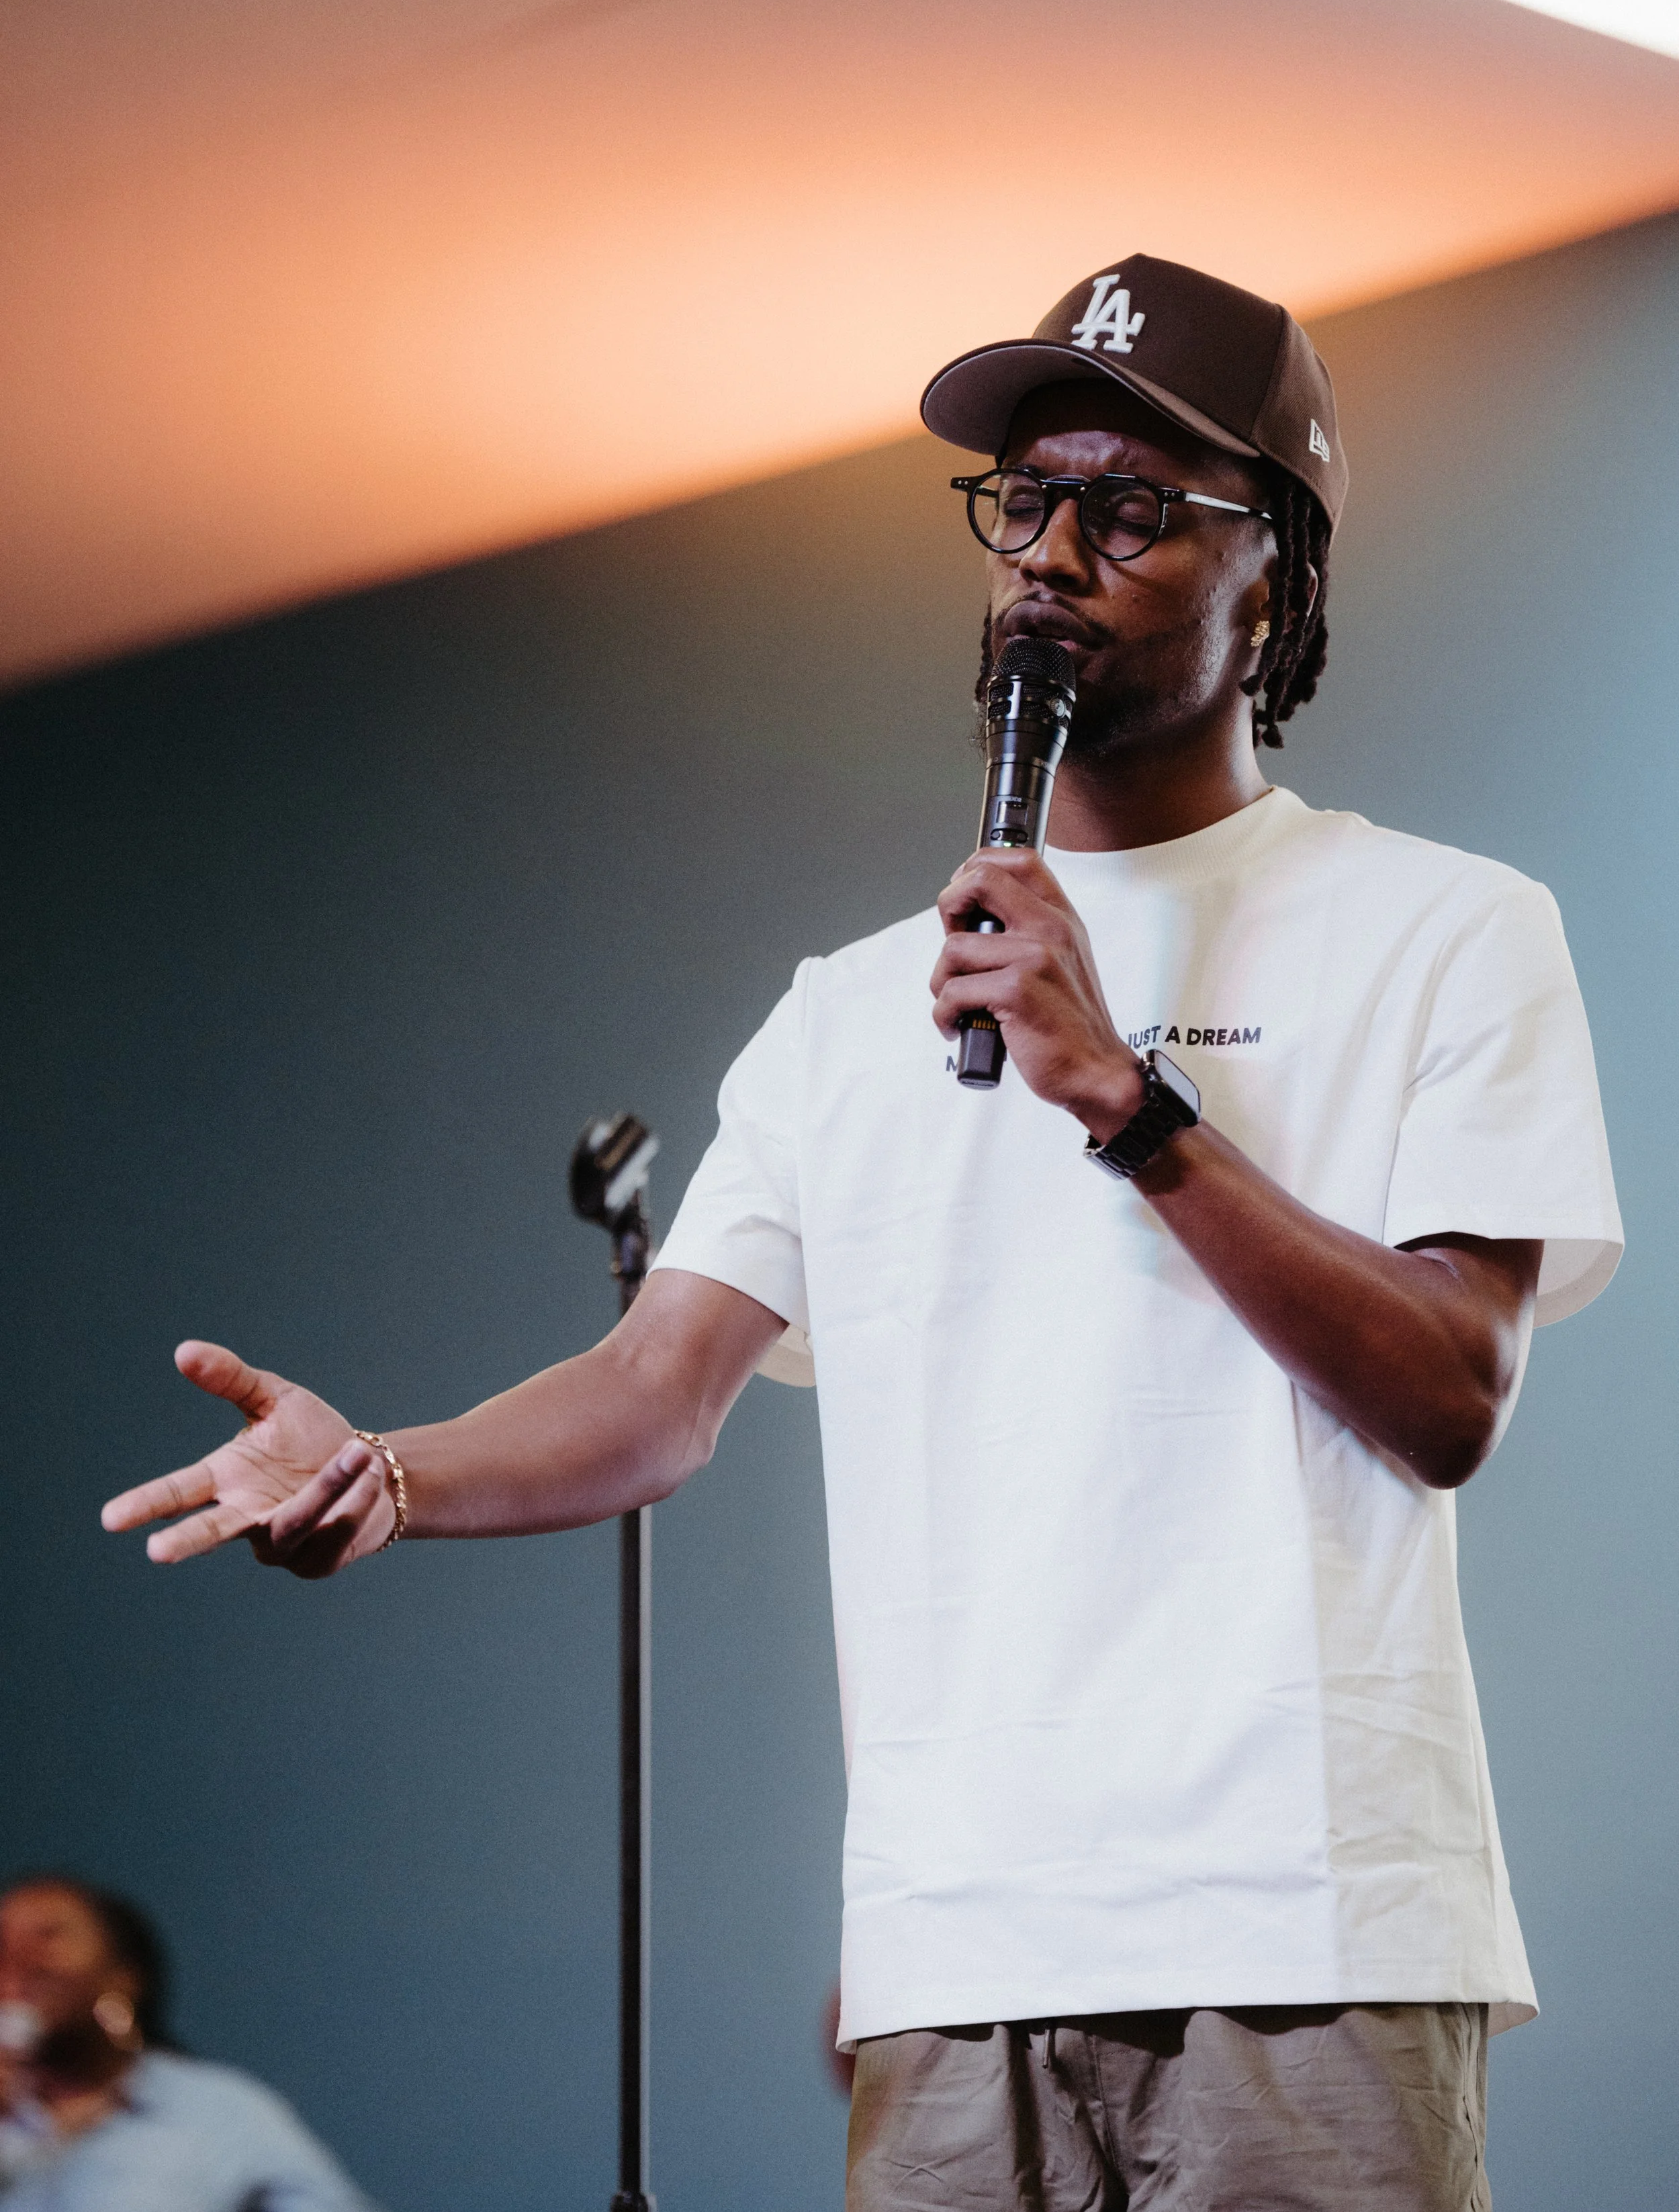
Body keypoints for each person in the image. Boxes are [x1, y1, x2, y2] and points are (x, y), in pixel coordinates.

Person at [103, 254, 1622, 2210]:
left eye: (1132, 506)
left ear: (1278, 573)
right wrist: (387, 1471)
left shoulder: (1443, 928)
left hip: (1303, 1934)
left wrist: (1129, 1102)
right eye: (1023, 499)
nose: (1051, 551)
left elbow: (1441, 1392)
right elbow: (656, 1388)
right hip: (949, 1950)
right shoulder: (841, 1012)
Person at [0, 1876, 376, 2209]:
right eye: (3, 1941)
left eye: (48, 1935)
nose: (17, 1956)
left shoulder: (212, 2108)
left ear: (123, 1978)